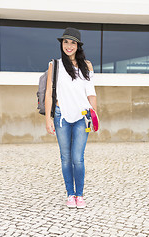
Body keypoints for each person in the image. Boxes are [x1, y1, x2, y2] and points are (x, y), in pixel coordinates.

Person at [45, 27, 97, 208]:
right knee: (65, 158)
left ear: (78, 45)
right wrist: (48, 119)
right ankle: (70, 194)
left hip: (83, 116)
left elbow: (91, 94)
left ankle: (80, 195)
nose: (68, 46)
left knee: (78, 158)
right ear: (62, 44)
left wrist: (94, 116)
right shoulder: (55, 65)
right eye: (65, 42)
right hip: (61, 116)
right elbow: (48, 94)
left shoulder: (86, 66)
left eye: (72, 42)